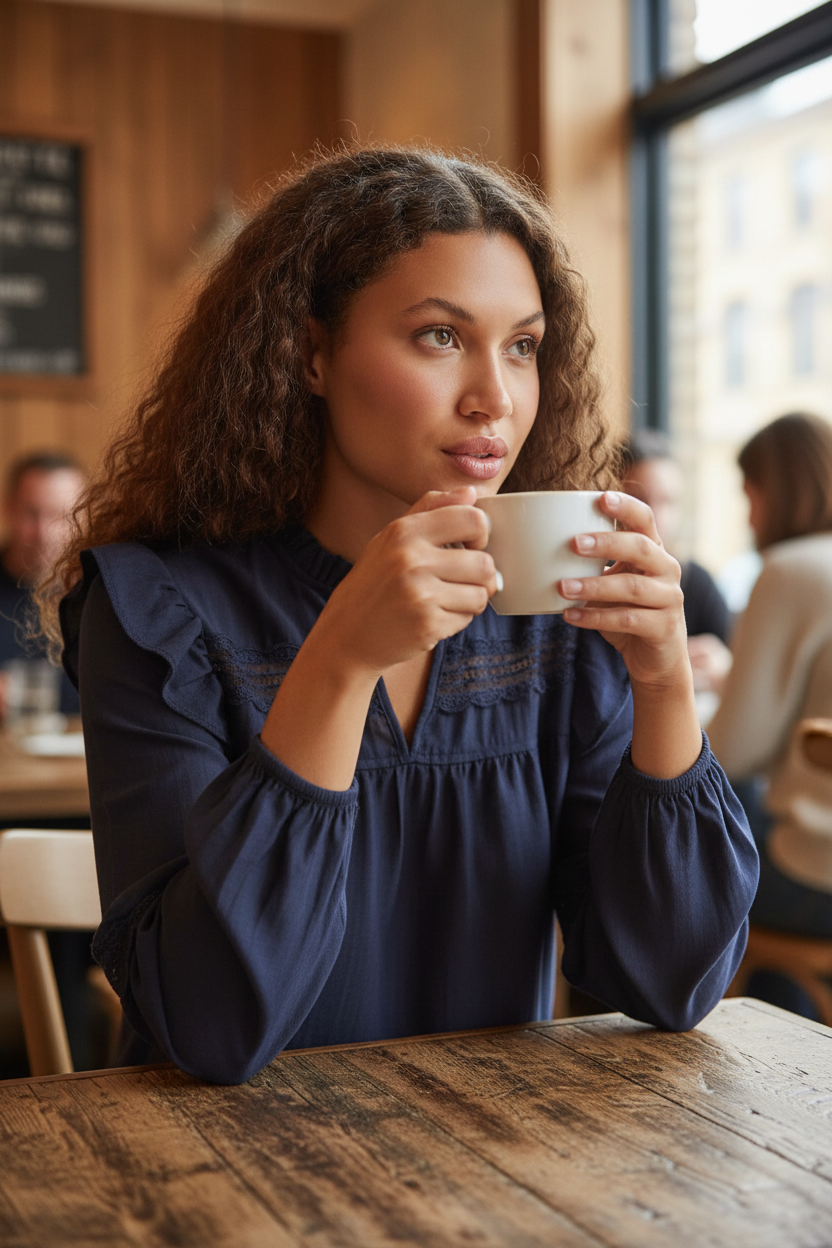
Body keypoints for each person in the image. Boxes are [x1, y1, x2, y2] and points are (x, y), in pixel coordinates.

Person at [42, 146, 757, 1085]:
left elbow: (669, 983)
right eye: (439, 336)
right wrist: (339, 661)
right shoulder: (158, 613)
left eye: (523, 346)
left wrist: (663, 689)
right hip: (217, 1191)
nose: (495, 399)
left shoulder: (554, 623)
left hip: (489, 1185)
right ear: (309, 352)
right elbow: (211, 1023)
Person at [707, 413, 832, 1011]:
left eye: (748, 495)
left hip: (816, 875)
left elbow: (730, 753)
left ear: (773, 489)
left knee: (660, 841)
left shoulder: (790, 570)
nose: (749, 515)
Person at [619, 429, 733, 695]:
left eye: (667, 501)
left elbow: (731, 665)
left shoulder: (697, 581)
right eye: (641, 501)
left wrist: (722, 666)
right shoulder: (591, 581)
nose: (656, 516)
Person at [0, 451, 84, 719]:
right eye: (31, 513)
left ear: (85, 516)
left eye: (60, 516)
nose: (44, 533)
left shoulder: (104, 593)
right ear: (7, 509)